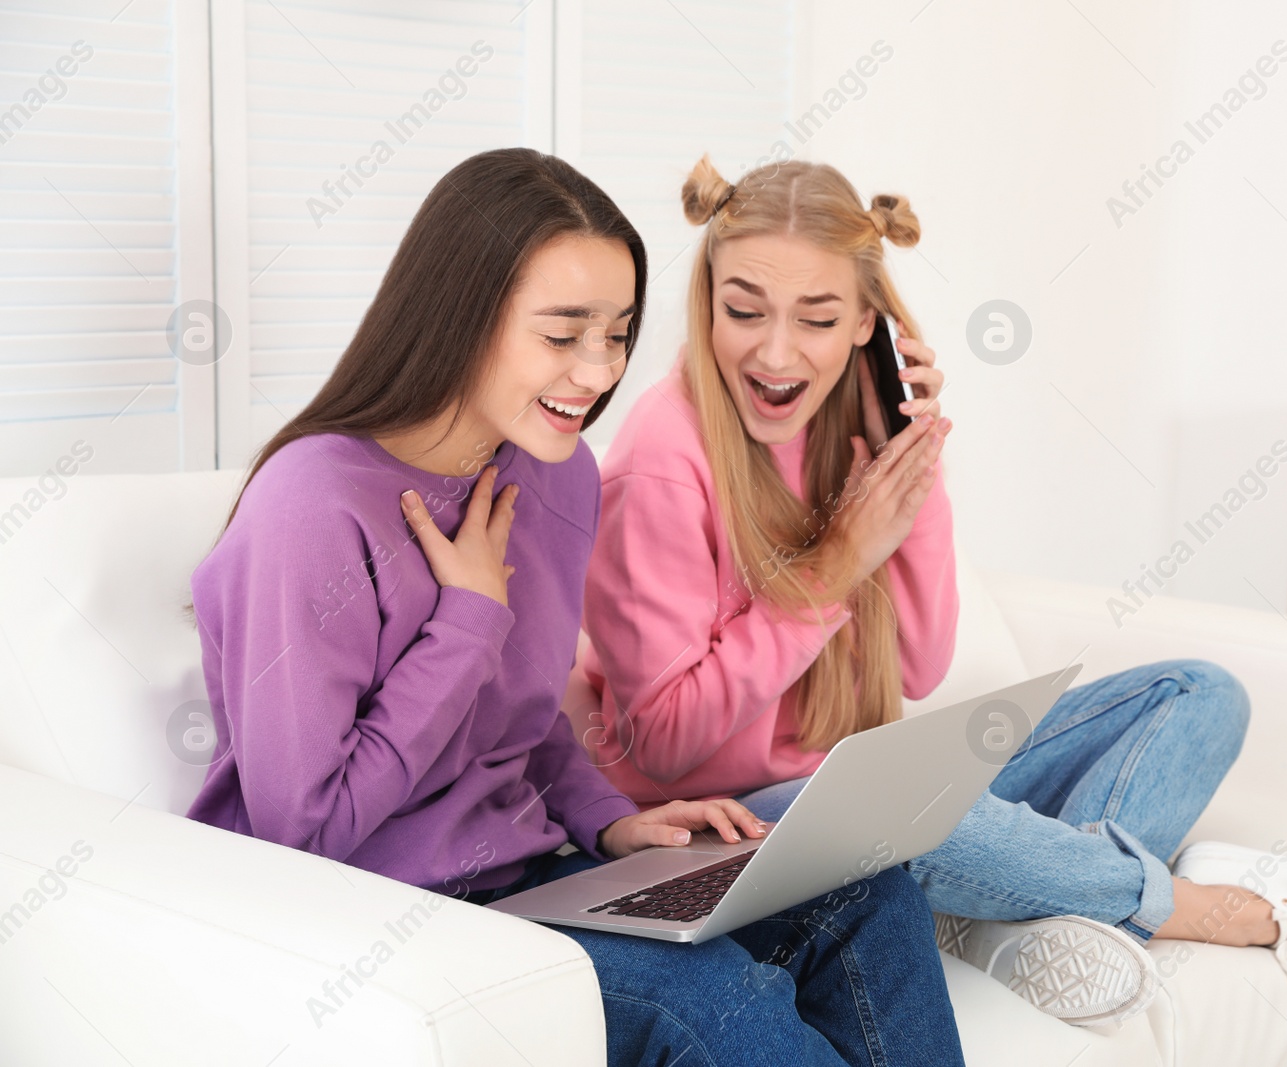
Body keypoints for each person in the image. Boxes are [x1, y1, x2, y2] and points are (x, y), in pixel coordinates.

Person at [578, 156, 1287, 1023]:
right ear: (707, 301)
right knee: (919, 819)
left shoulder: (856, 428)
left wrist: (912, 465)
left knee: (1198, 694)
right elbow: (661, 742)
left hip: (850, 780)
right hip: (725, 827)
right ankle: (1225, 907)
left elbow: (921, 663)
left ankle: (1037, 911)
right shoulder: (662, 457)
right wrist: (833, 569)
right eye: (743, 311)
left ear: (866, 325)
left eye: (816, 317)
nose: (774, 351)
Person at [183, 147, 967, 1067]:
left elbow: (518, 725)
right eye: (563, 335)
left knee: (869, 891)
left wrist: (609, 819)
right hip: (386, 918)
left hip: (534, 880)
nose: (597, 373)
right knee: (713, 1001)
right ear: (460, 317)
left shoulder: (555, 477)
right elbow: (301, 832)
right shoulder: (312, 507)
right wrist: (466, 619)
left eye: (618, 332)